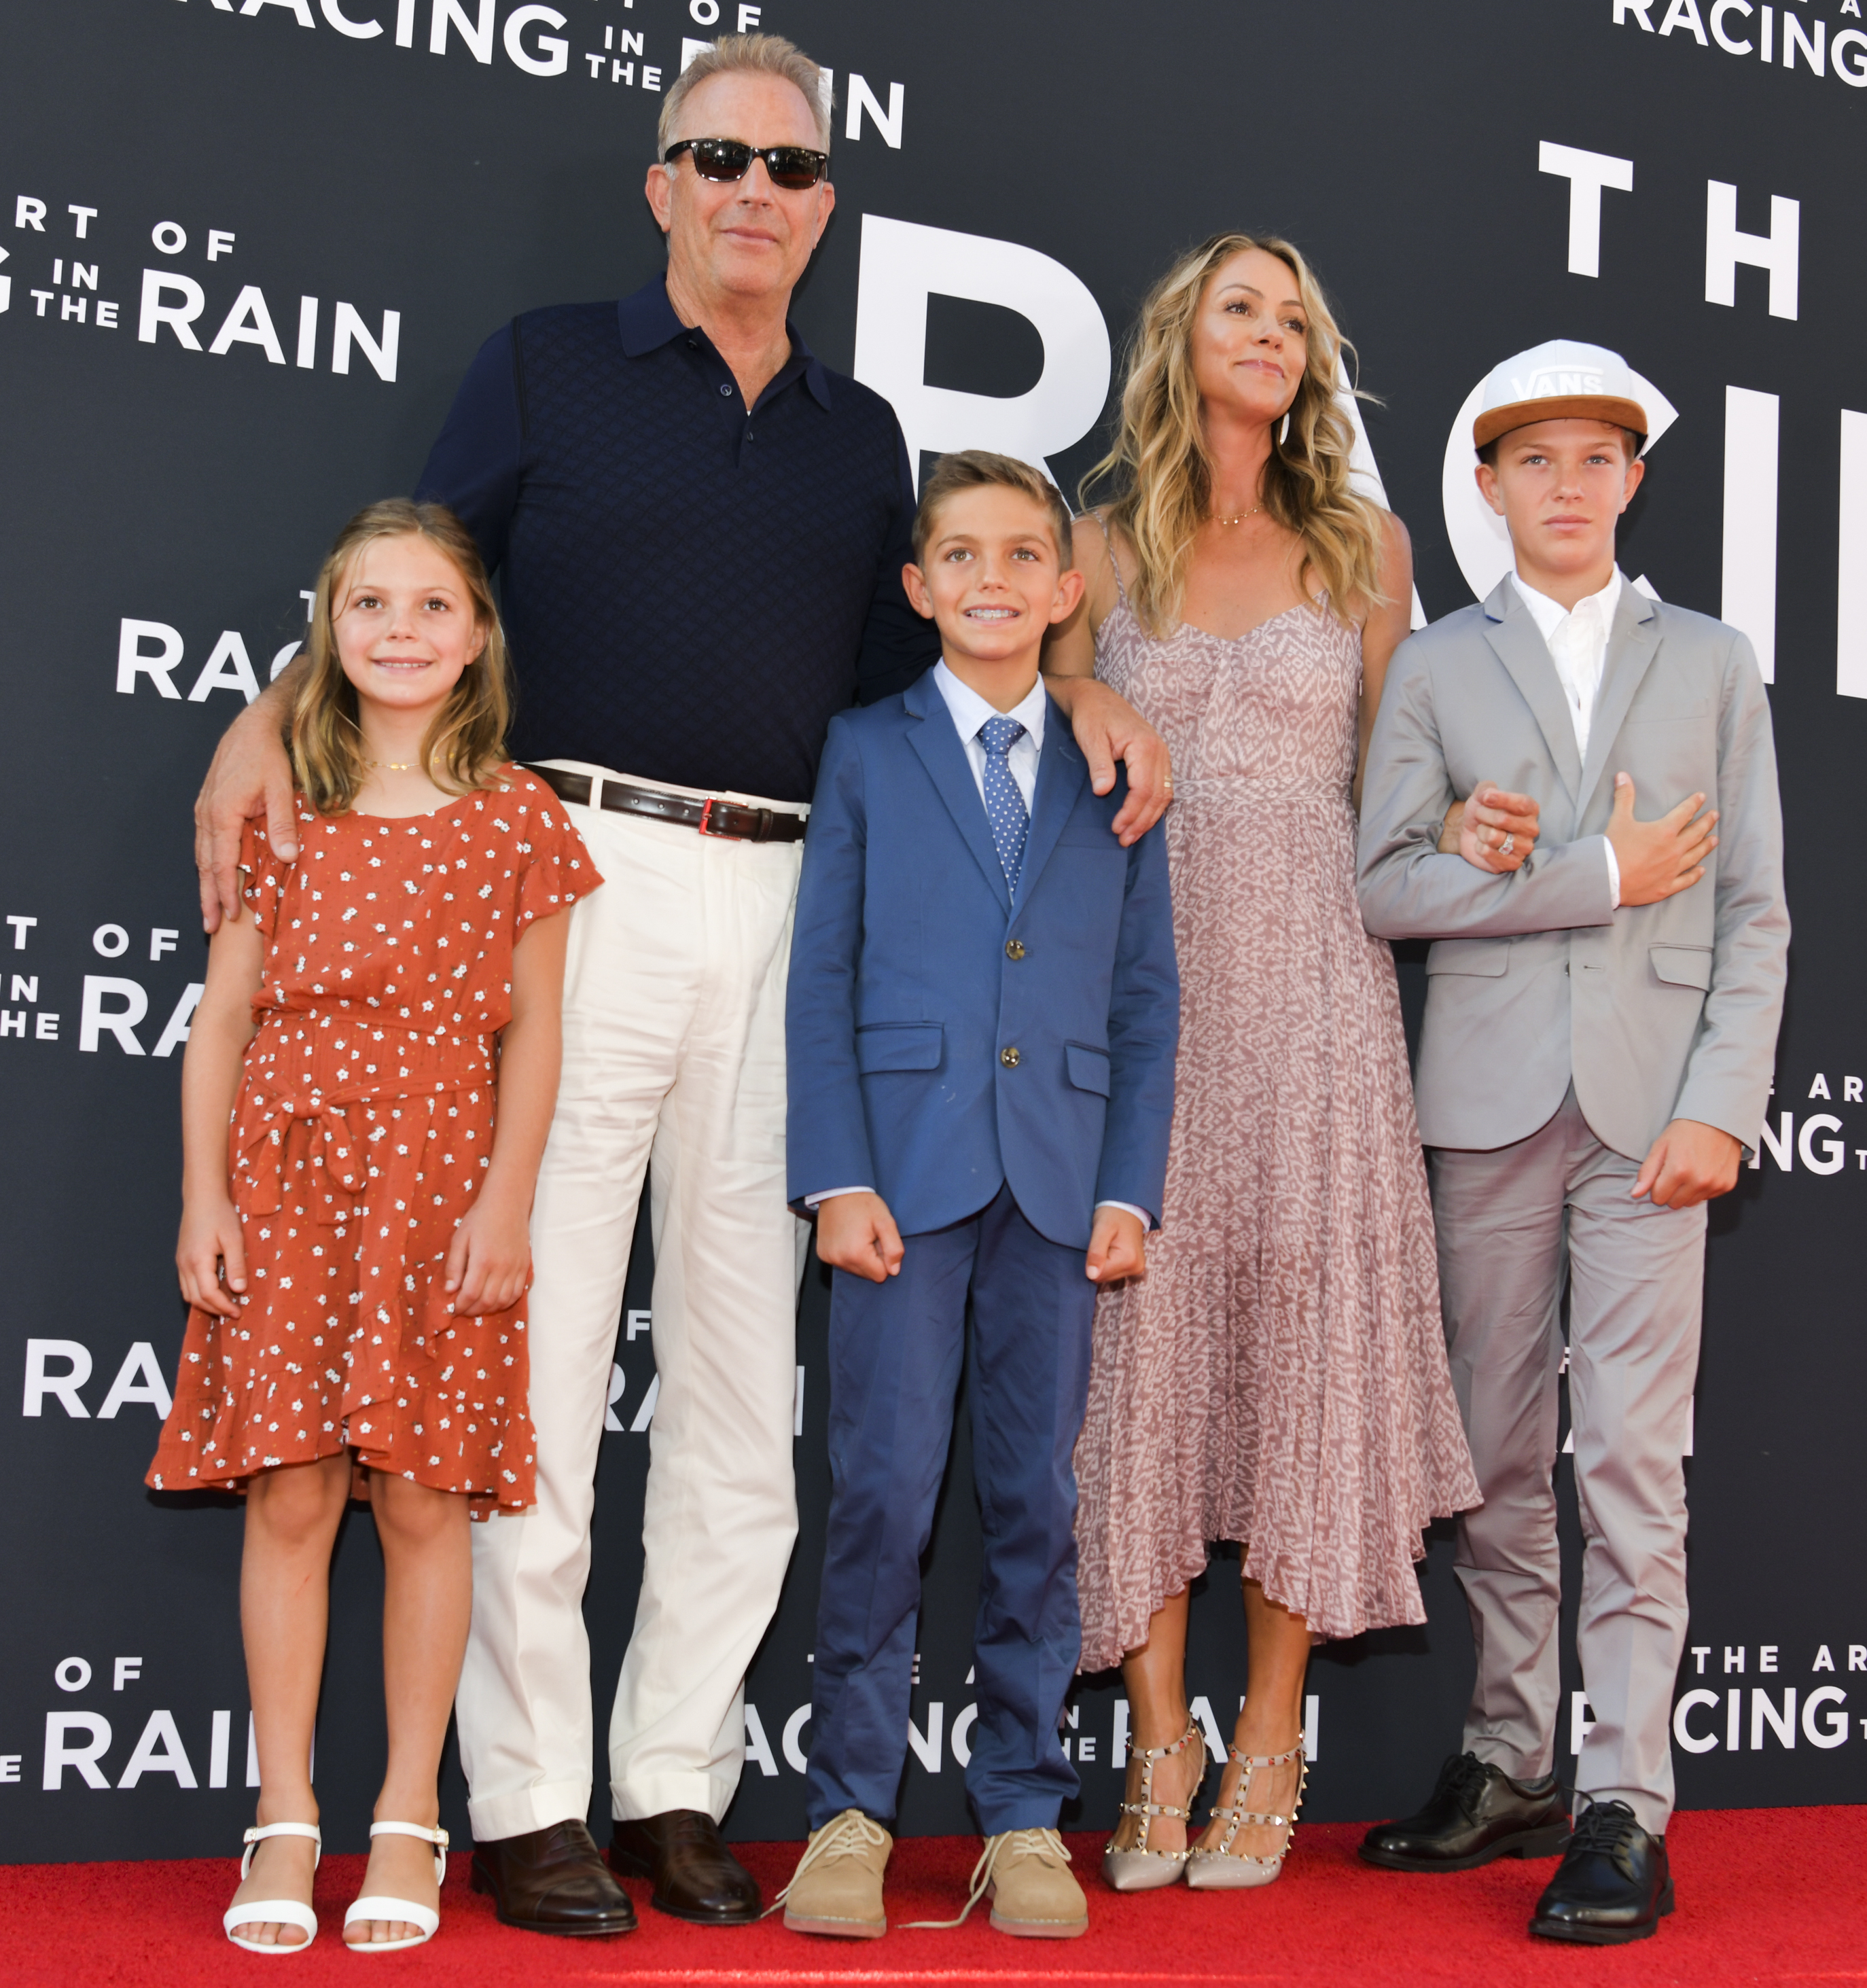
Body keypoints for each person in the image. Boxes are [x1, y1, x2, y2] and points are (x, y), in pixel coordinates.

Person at [188, 35, 1168, 1937]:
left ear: (823, 205)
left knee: (740, 1381)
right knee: (537, 1357)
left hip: (797, 899)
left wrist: (1094, 680)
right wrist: (259, 720)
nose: (753, 191)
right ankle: (534, 1795)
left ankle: (675, 1780)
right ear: (660, 183)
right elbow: (406, 581)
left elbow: (965, 634)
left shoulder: (862, 435)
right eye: (716, 156)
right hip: (573, 877)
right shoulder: (550, 363)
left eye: (791, 169)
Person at [1042, 234, 1480, 1893]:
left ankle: (1274, 1734)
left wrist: (1478, 824)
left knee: (1301, 1353)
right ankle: (1158, 1738)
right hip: (1141, 999)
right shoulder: (1097, 546)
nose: (1274, 337)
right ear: (1182, 336)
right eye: (1245, 308)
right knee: (1136, 1363)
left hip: (1316, 993)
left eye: (1296, 319)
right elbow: (1042, 732)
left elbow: (1406, 780)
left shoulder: (1366, 543)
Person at [1355, 341, 1788, 1945]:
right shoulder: (1437, 666)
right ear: (1486, 484)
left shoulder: (1716, 662)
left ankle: (1623, 1799)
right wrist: (1594, 872)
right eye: (1534, 460)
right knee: (1494, 1454)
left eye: (1596, 458)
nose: (1567, 485)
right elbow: (1386, 883)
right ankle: (1506, 1755)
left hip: (1652, 1113)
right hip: (1481, 1099)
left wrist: (1717, 1104)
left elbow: (1756, 911)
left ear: (1635, 477)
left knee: (1629, 1458)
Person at [151, 500, 597, 1954]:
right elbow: (220, 1019)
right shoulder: (280, 799)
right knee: (288, 1496)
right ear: (328, 634)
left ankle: (409, 1815)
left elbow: (532, 1038)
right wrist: (205, 1195)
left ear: (477, 640)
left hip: (439, 1185)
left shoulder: (524, 816)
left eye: (432, 607)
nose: (401, 631)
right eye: (370, 607)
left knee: (422, 1502)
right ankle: (285, 1817)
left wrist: (507, 1202)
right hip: (285, 1182)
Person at [778, 452, 1179, 1940]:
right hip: (902, 1178)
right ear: (919, 586)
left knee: (1036, 1504)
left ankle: (1023, 1811)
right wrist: (835, 1172)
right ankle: (847, 1809)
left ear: (1068, 592)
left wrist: (1130, 1183)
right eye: (963, 555)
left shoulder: (1115, 766)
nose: (995, 579)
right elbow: (822, 975)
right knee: (880, 1494)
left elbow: (1147, 1000)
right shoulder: (868, 750)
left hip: (1062, 1187)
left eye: (1025, 555)